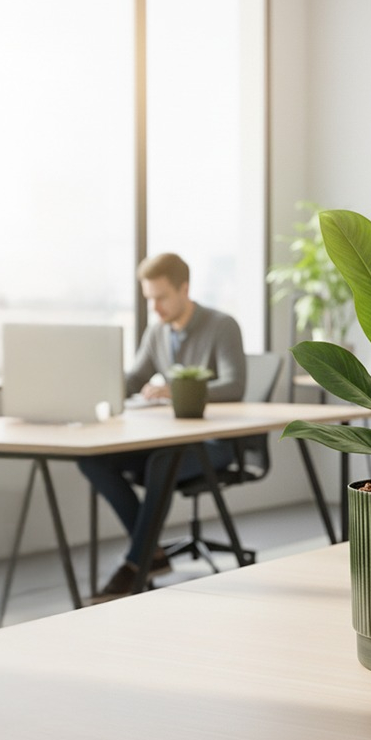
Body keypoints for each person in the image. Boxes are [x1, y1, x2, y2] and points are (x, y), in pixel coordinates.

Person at [78, 253, 246, 600]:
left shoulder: (221, 325)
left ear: (184, 288)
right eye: (149, 299)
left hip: (213, 443)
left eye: (161, 297)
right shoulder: (157, 332)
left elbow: (234, 386)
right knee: (92, 458)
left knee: (162, 462)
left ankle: (134, 565)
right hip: (168, 440)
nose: (155, 307)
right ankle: (151, 554)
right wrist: (94, 381)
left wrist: (174, 390)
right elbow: (134, 379)